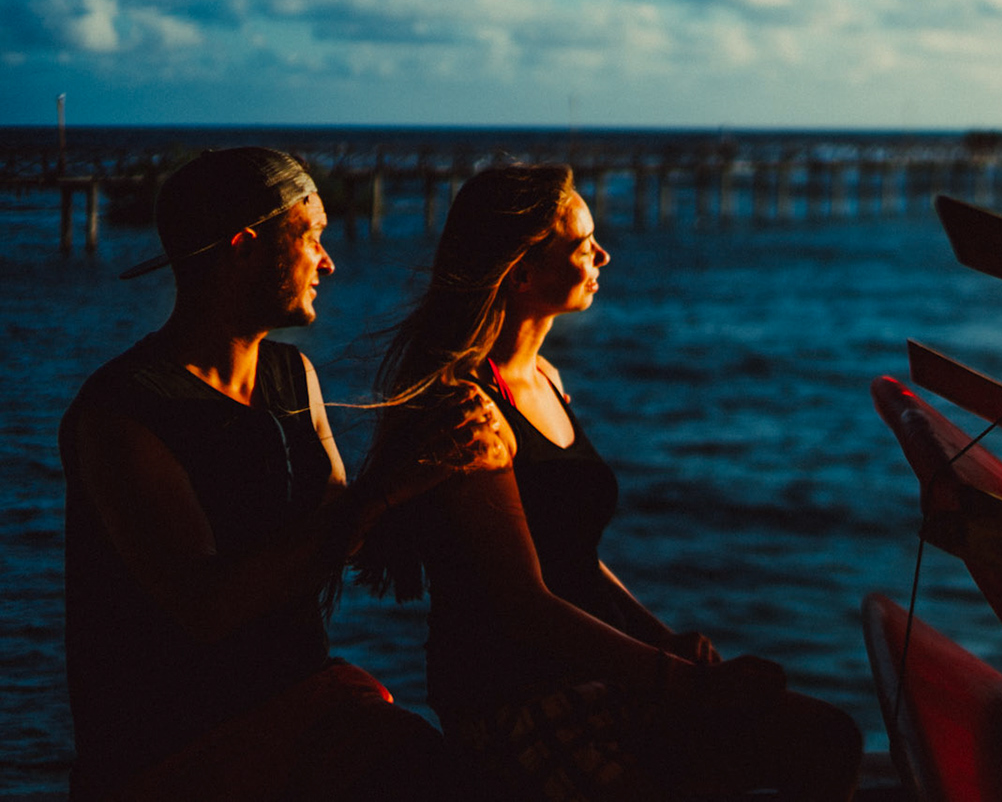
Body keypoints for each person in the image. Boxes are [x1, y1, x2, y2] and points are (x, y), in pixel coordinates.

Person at [352, 163, 863, 802]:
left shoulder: (547, 379)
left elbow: (576, 558)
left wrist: (660, 636)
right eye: (581, 244)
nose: (604, 253)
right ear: (522, 272)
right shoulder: (469, 410)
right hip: (516, 701)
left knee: (826, 737)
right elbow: (524, 606)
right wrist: (682, 682)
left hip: (596, 674)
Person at [60, 147, 513, 801]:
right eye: (313, 236)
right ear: (245, 246)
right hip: (181, 752)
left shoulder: (291, 376)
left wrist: (439, 451)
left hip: (299, 709)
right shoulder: (123, 414)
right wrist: (389, 488)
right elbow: (209, 608)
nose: (328, 260)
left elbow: (343, 528)